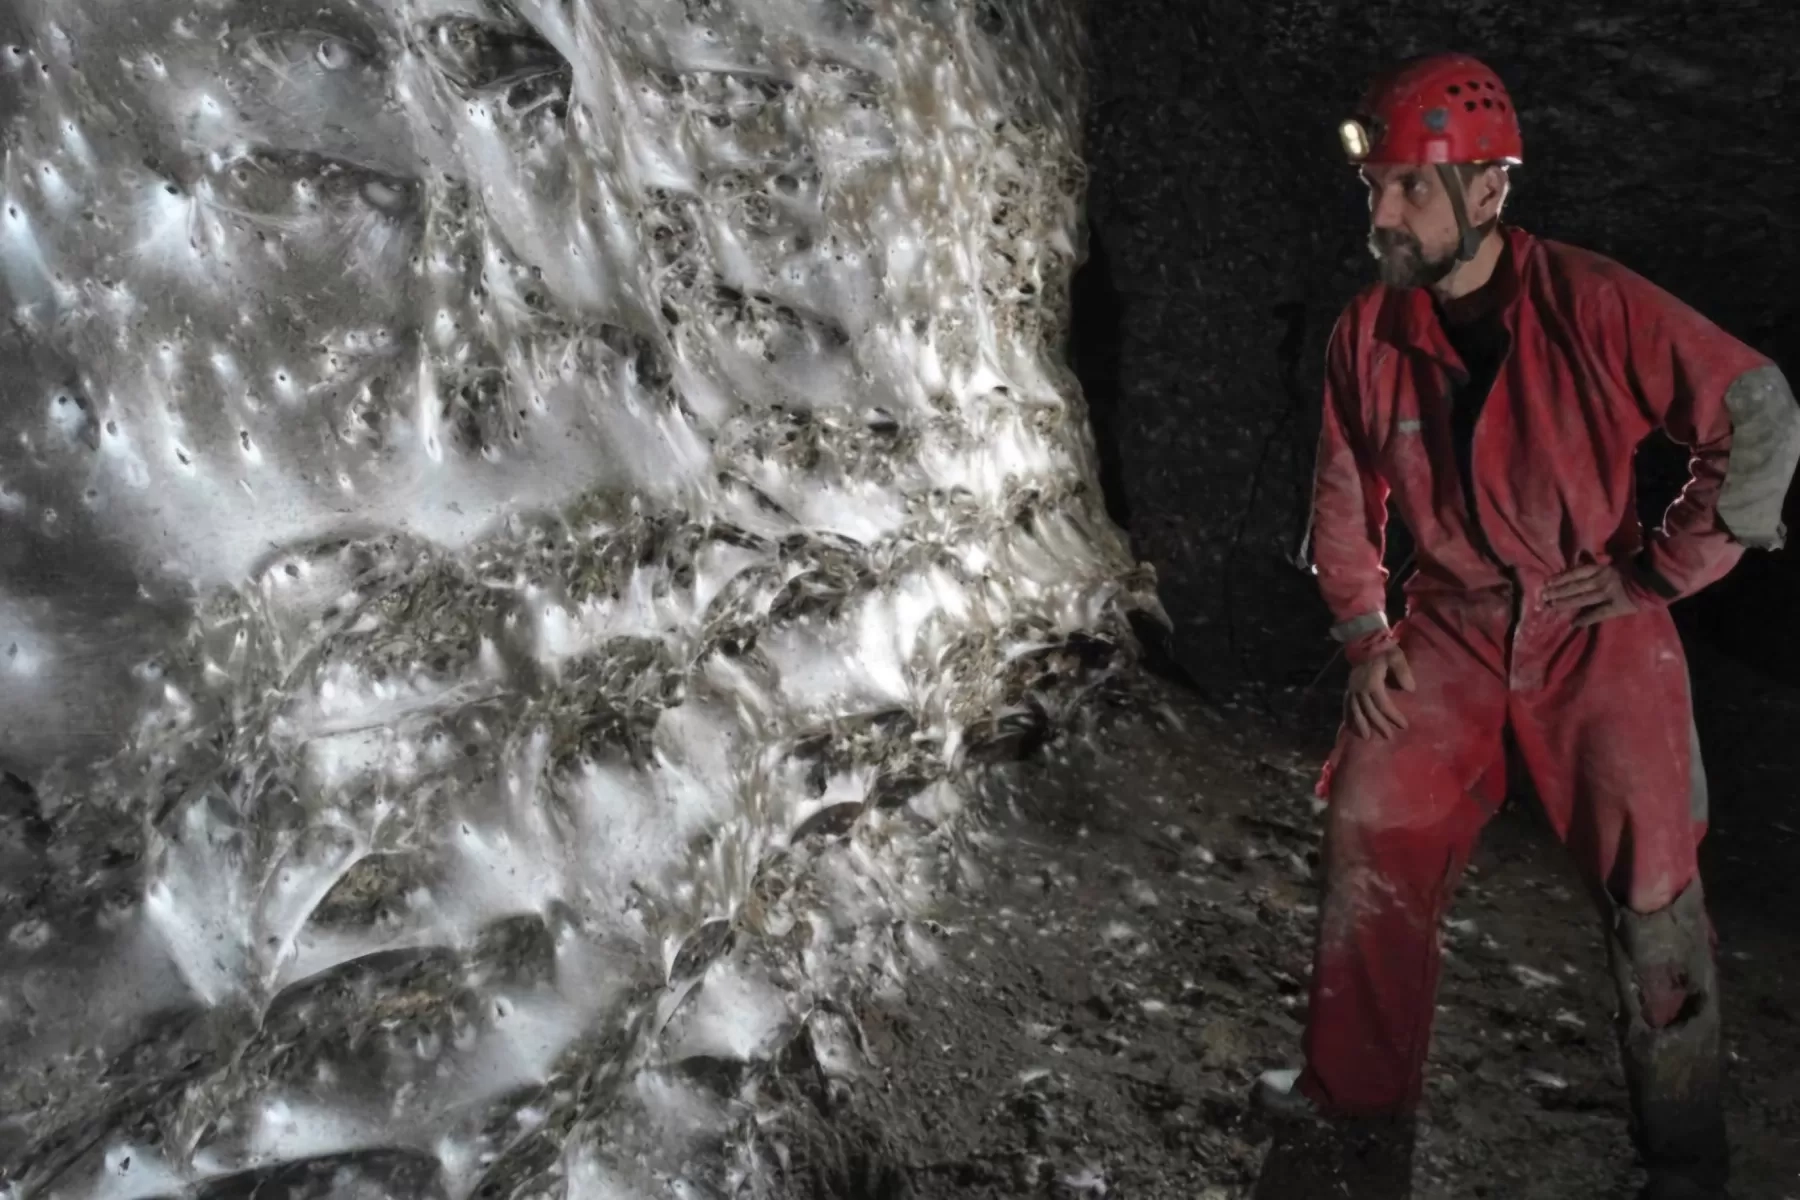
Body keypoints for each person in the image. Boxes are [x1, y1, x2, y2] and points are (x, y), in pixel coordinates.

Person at [1253, 53, 1800, 1200]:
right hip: (1445, 624)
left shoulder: (1591, 301)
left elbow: (1754, 408)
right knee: (1373, 825)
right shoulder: (1371, 328)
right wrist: (1364, 632)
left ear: (1490, 192)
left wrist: (1663, 573)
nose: (1383, 213)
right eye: (1378, 188)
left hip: (1588, 619)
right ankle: (1349, 1146)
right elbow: (1347, 487)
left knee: (1656, 883)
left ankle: (1686, 1163)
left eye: (1411, 188)